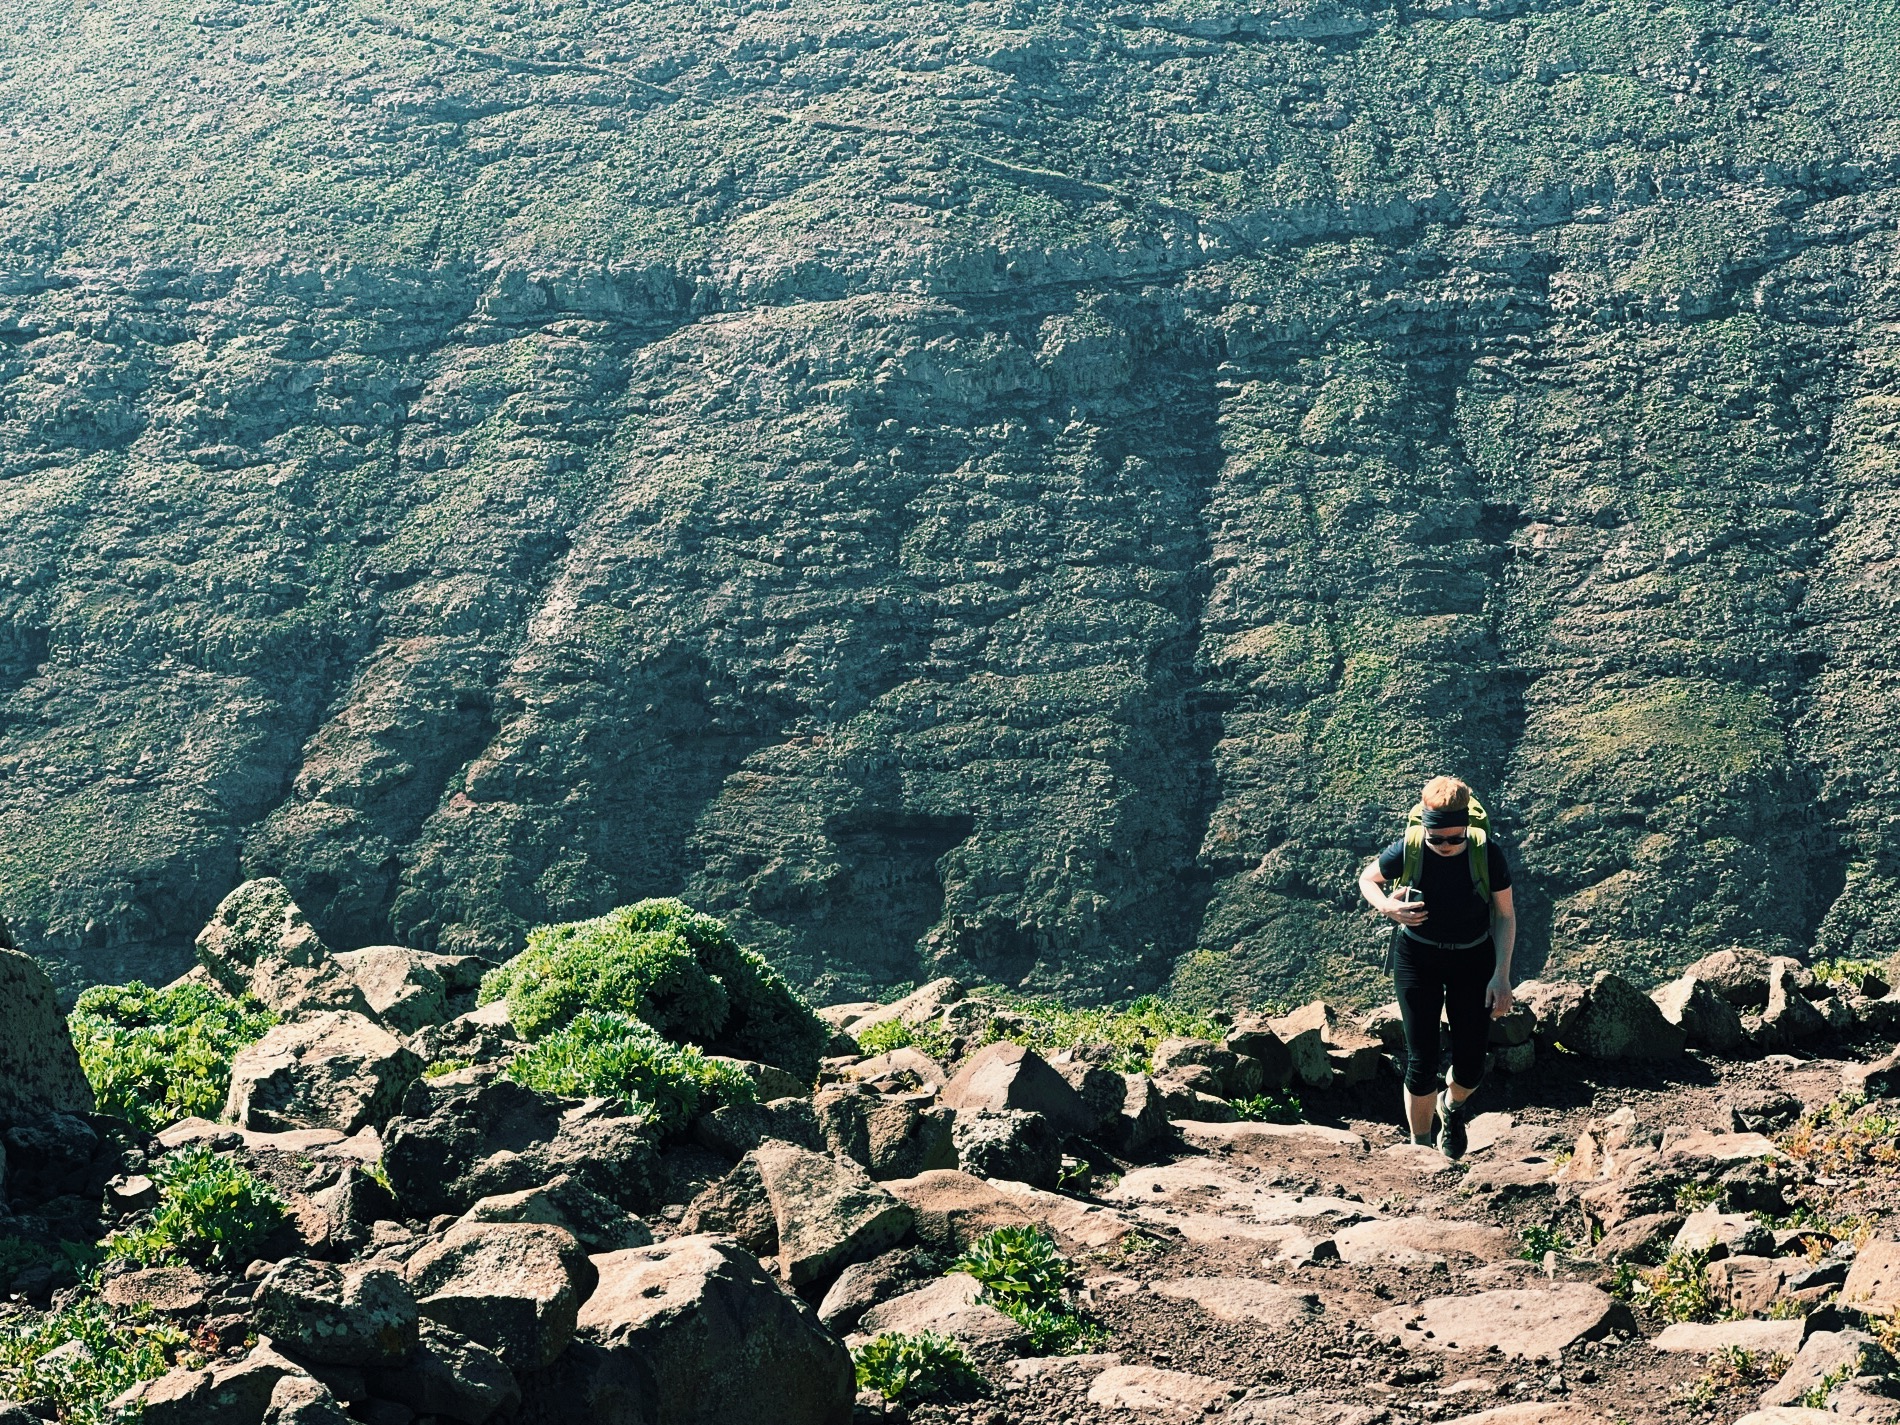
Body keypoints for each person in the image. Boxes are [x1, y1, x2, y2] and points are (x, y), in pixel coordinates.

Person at [1356, 776, 1516, 1159]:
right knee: (1421, 1057)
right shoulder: (1410, 848)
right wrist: (1387, 907)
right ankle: (1421, 1149)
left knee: (1471, 1067)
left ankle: (1451, 1106)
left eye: (1454, 838)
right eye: (1436, 839)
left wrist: (1501, 975)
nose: (1445, 846)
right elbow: (1367, 878)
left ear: (1467, 828)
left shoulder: (1486, 853)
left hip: (1473, 959)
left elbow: (1505, 916)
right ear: (1424, 829)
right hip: (1417, 958)